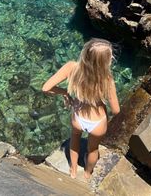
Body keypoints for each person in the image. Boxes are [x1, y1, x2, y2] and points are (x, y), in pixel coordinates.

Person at [42, 38, 120, 180]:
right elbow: (116, 110)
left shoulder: (71, 67)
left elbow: (46, 88)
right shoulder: (107, 79)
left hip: (78, 117)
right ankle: (87, 174)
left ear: (85, 52)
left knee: (75, 138)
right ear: (106, 61)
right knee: (92, 149)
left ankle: (72, 170)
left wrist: (64, 93)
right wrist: (104, 110)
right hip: (98, 123)